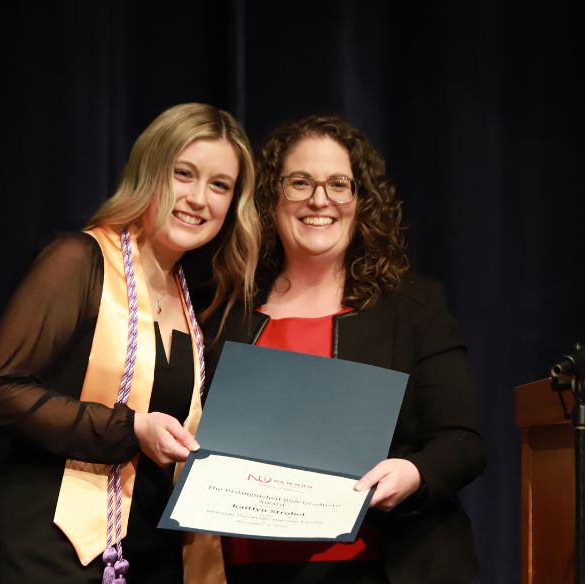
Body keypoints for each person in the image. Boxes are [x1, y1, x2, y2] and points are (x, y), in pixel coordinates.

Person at [0, 103, 259, 583]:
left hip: (146, 550)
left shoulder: (198, 301)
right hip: (49, 544)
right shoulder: (78, 261)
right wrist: (131, 430)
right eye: (183, 173)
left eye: (219, 186)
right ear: (150, 171)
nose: (197, 198)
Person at [207, 115, 485, 584]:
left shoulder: (412, 308)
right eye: (300, 183)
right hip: (243, 571)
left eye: (339, 183)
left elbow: (463, 442)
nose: (320, 200)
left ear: (361, 200)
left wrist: (412, 474)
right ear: (272, 197)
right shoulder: (222, 309)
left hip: (376, 568)